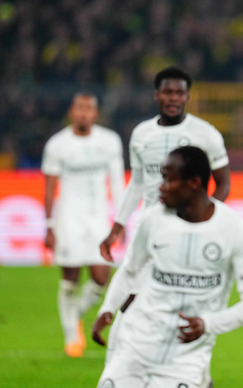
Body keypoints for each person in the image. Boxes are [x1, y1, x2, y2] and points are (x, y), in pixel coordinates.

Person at [95, 146, 243, 388]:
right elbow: (130, 269)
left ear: (194, 182)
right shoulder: (153, 219)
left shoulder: (234, 229)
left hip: (185, 359)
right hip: (135, 345)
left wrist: (208, 324)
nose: (161, 186)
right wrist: (109, 307)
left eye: (168, 179)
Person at [95, 66, 231, 361]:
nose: (174, 97)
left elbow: (223, 182)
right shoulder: (142, 134)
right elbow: (138, 185)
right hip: (150, 231)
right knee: (132, 300)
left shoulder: (205, 134)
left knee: (165, 309)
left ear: (187, 96)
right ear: (157, 95)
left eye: (179, 92)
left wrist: (206, 221)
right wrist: (116, 228)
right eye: (168, 92)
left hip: (188, 235)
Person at [41, 92, 125, 358]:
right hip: (68, 218)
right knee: (70, 277)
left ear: (96, 114)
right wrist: (49, 224)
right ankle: (71, 336)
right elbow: (50, 187)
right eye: (79, 108)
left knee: (102, 278)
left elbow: (118, 182)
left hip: (98, 218)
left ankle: (74, 315)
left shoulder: (109, 141)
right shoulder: (57, 144)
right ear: (71, 112)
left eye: (89, 109)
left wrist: (120, 222)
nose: (84, 113)